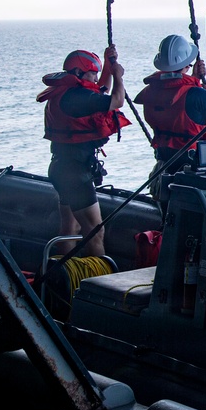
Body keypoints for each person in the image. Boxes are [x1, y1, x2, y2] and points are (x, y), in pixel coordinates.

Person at [37, 46, 130, 257]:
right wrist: (118, 76)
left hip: (62, 168)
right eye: (93, 73)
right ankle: (98, 282)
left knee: (70, 229)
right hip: (76, 173)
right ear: (79, 73)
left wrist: (107, 64)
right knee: (95, 231)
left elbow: (99, 90)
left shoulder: (70, 94)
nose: (96, 78)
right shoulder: (77, 97)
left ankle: (65, 277)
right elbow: (116, 100)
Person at [134, 35, 206, 202]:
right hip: (192, 167)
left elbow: (177, 95)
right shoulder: (198, 94)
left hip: (164, 164)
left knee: (167, 212)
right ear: (186, 65)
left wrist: (195, 80)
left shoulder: (150, 91)